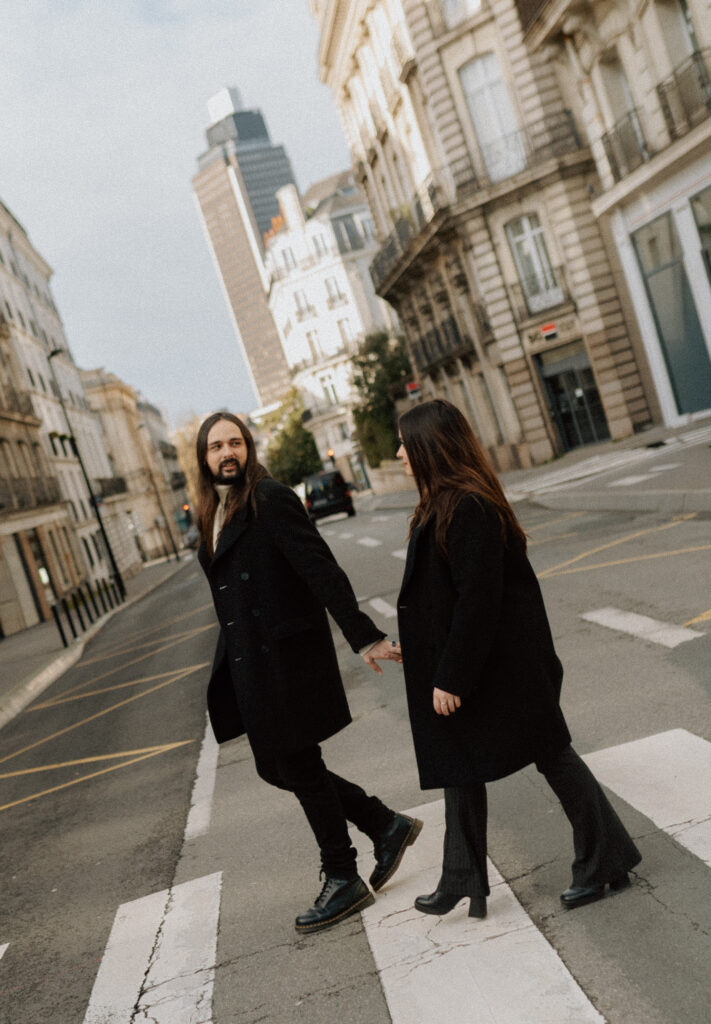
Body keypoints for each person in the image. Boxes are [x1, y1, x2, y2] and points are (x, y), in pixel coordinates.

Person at [393, 399, 641, 919]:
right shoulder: (444, 504)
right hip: (489, 665)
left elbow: (478, 601)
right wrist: (415, 648)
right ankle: (462, 878)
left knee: (551, 753)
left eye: (404, 444)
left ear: (429, 448)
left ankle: (606, 859)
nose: (398, 454)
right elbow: (446, 597)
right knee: (457, 761)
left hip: (508, 670)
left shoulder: (468, 508)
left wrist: (451, 675)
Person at [195, 411, 421, 934]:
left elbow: (320, 568)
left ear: (248, 448)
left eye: (235, 442)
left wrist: (363, 635)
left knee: (295, 762)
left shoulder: (268, 498)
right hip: (251, 660)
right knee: (274, 767)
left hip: (284, 657)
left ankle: (343, 874)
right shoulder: (214, 511)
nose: (227, 452)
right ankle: (383, 824)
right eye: (215, 446)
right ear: (204, 460)